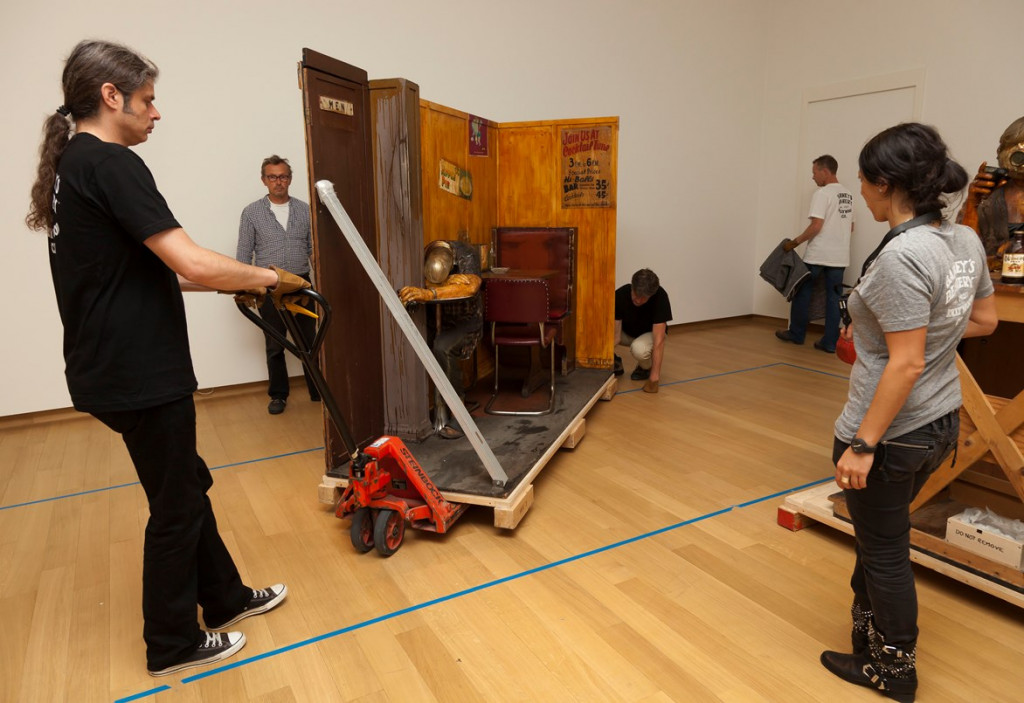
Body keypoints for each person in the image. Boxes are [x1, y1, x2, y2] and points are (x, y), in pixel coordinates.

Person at [26, 40, 302, 677]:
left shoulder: (74, 163)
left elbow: (155, 274)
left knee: (185, 482)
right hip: (141, 373)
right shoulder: (113, 164)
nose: (157, 112)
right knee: (176, 503)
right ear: (111, 96)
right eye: (147, 99)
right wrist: (271, 277)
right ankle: (172, 644)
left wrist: (238, 279)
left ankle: (226, 599)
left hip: (108, 368)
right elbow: (189, 260)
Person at [820, 123, 997, 702]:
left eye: (866, 183)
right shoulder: (964, 240)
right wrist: (928, 334)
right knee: (878, 539)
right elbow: (985, 321)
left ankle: (895, 671)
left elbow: (905, 364)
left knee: (886, 551)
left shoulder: (904, 256)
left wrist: (863, 444)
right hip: (941, 422)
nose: (862, 194)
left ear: (886, 184)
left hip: (892, 432)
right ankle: (869, 649)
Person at [237, 155, 320, 415]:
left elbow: (312, 249)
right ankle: (278, 395)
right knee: (275, 344)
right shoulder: (252, 212)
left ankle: (318, 391)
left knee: (310, 341)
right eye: (272, 177)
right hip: (269, 288)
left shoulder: (304, 210)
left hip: (300, 286)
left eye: (283, 176)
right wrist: (244, 287)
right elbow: (243, 253)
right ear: (264, 180)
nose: (278, 182)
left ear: (290, 179)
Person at [399, 240, 482, 438]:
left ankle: (460, 414)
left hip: (465, 323)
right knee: (410, 343)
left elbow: (471, 287)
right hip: (433, 321)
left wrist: (430, 291)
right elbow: (416, 281)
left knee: (442, 347)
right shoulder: (424, 252)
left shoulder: (466, 253)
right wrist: (446, 282)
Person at [775, 155, 855, 353]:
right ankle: (829, 343)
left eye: (814, 173)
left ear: (824, 172)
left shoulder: (822, 194)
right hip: (839, 256)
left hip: (818, 254)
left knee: (802, 292)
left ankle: (796, 334)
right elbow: (850, 227)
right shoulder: (848, 195)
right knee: (834, 298)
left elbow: (816, 226)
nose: (813, 177)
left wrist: (795, 242)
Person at [614, 268, 671, 394]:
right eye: (636, 295)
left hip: (649, 335)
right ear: (632, 287)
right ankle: (615, 361)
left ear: (651, 295)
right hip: (627, 333)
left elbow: (659, 341)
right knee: (601, 329)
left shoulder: (660, 297)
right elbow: (616, 336)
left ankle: (645, 368)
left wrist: (654, 378)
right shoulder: (620, 295)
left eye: (644, 298)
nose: (639, 300)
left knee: (639, 349)